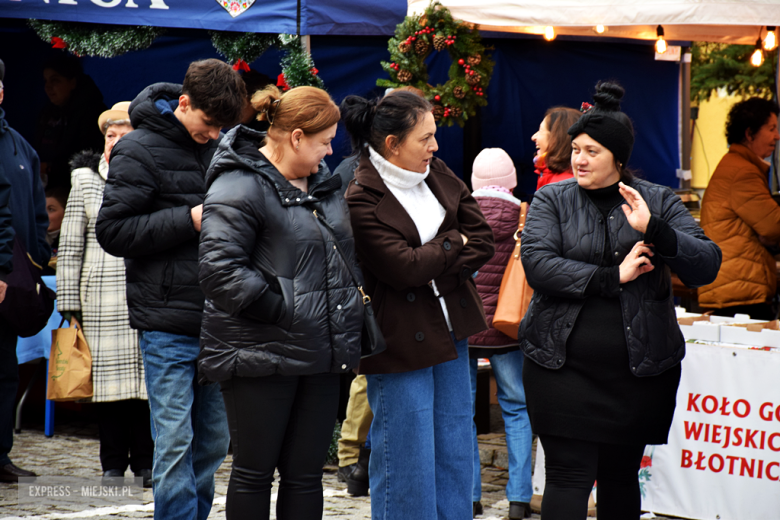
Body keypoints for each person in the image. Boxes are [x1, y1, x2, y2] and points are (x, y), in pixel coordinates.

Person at [519, 81, 722, 520]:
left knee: (619, 476)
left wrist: (655, 229)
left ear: (619, 157)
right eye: (576, 149)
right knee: (568, 476)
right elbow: (537, 265)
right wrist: (613, 277)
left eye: (592, 151)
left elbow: (707, 265)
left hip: (639, 372)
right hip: (560, 366)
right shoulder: (552, 198)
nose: (579, 158)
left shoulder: (658, 200)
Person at [198, 84, 362, 520]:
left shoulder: (322, 186)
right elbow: (220, 270)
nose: (329, 152)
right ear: (296, 137)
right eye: (325, 141)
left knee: (306, 475)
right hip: (259, 351)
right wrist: (284, 312)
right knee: (254, 472)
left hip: (320, 351)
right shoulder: (239, 182)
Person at [95, 59, 246, 520]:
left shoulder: (221, 146)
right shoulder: (137, 148)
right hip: (166, 322)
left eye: (221, 126)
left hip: (220, 319)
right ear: (183, 103)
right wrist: (189, 219)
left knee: (215, 441)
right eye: (207, 123)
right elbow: (113, 232)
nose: (212, 133)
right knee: (175, 440)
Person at [342, 91, 495, 520]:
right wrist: (450, 241)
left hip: (452, 328)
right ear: (392, 143)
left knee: (454, 449)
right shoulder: (361, 196)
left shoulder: (437, 171)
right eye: (425, 137)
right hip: (399, 342)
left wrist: (432, 255)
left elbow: (481, 237)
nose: (436, 146)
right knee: (405, 458)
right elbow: (403, 269)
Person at [57, 101, 153, 487]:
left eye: (123, 133)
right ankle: (112, 465)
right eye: (110, 135)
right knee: (107, 390)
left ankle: (146, 463)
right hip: (99, 297)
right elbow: (69, 245)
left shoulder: (150, 175)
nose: (115, 141)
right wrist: (68, 302)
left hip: (143, 292)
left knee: (145, 388)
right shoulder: (84, 181)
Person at [467, 148, 532, 519]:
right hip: (508, 328)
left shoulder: (460, 212)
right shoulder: (524, 213)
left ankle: (471, 497)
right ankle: (519, 499)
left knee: (463, 413)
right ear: (511, 181)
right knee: (517, 408)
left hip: (466, 327)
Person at [0, 58, 50, 483]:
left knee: (4, 370)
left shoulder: (21, 148)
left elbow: (37, 214)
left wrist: (35, 263)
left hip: (13, 284)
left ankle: (0, 455)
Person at [699, 98, 780, 320]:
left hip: (735, 286)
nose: (777, 136)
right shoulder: (743, 172)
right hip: (740, 291)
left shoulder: (736, 165)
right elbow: (774, 226)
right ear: (749, 133)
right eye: (771, 129)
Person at [34, 53, 106, 189]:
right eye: (45, 81)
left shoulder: (92, 113)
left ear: (72, 82)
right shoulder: (47, 112)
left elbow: (90, 158)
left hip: (77, 188)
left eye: (55, 80)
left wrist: (51, 168)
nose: (48, 87)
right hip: (46, 186)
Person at [532, 106, 581, 189]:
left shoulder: (563, 187)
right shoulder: (548, 176)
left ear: (558, 138)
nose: (533, 137)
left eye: (541, 130)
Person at [43, 185, 68, 274]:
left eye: (51, 209)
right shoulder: (34, 239)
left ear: (66, 212)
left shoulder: (71, 241)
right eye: (42, 209)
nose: (44, 214)